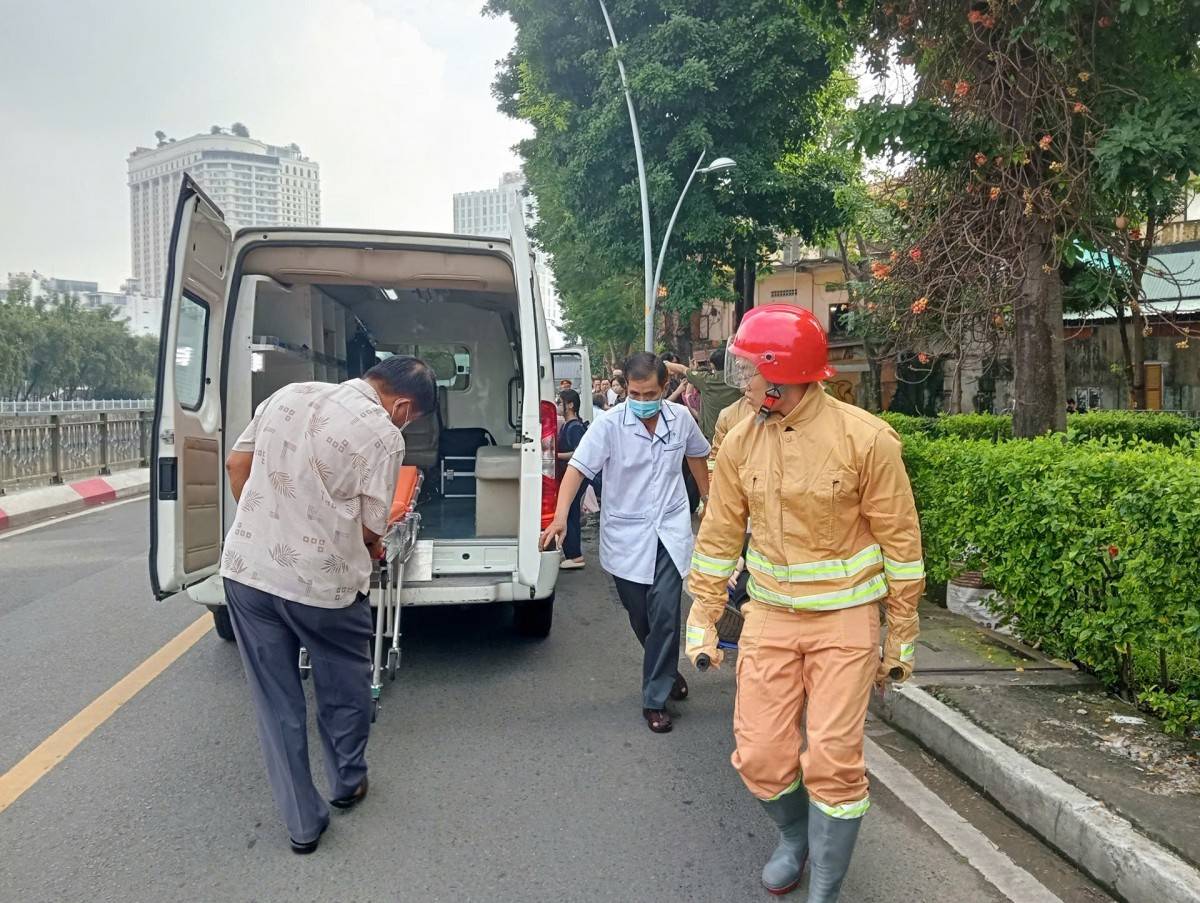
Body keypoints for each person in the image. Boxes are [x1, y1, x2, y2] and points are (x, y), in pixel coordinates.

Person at [685, 306, 924, 899]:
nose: (741, 381)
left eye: (748, 369)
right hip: (770, 617)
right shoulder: (740, 442)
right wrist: (703, 620)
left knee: (834, 762)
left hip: (846, 621)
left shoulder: (866, 439)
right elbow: (718, 540)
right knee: (760, 755)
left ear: (779, 371)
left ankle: (825, 882)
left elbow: (902, 546)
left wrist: (899, 638)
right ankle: (795, 839)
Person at [221, 356, 438, 854]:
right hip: (325, 588)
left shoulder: (290, 393)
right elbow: (369, 528)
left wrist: (267, 525)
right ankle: (346, 783)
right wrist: (363, 544)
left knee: (277, 705)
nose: (405, 423)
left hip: (249, 574)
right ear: (402, 404)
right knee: (345, 688)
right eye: (410, 417)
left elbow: (238, 465)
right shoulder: (384, 435)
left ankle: (302, 825)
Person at [541, 352, 711, 733]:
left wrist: (709, 500)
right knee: (641, 617)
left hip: (668, 531)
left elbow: (698, 454)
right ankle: (666, 670)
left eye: (650, 393)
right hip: (626, 535)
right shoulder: (609, 425)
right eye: (634, 392)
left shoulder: (680, 419)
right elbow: (578, 469)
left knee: (666, 612)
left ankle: (655, 700)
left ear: (664, 388)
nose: (642, 400)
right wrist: (558, 516)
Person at [665, 348, 743, 441]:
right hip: (737, 433)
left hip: (712, 436)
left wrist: (666, 363)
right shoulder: (738, 381)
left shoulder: (707, 381)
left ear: (713, 365)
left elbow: (682, 369)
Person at [556, 388, 589, 570]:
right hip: (570, 474)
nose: (557, 406)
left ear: (570, 405)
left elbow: (579, 453)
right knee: (571, 513)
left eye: (559, 402)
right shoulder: (569, 425)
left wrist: (556, 455)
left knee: (568, 514)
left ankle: (575, 555)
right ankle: (573, 553)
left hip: (575, 475)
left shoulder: (575, 427)